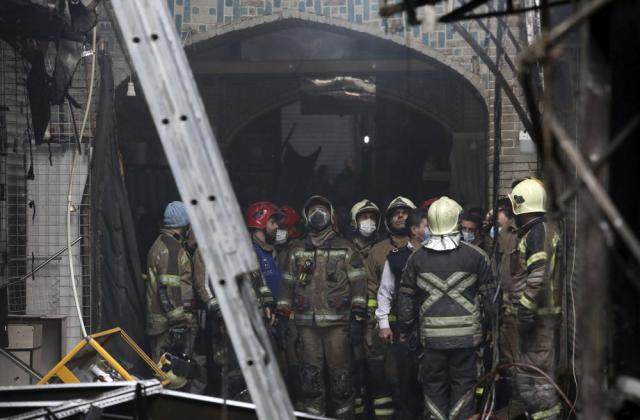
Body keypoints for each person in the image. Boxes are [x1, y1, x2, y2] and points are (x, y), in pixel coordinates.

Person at [397, 197, 497, 420]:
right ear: (457, 221)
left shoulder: (416, 258)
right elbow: (491, 300)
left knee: (433, 390)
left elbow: (405, 300)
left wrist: (405, 330)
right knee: (464, 389)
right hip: (467, 341)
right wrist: (491, 328)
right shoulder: (477, 256)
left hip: (431, 342)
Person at [278, 195, 367, 418]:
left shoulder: (345, 248)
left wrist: (357, 319)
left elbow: (359, 285)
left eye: (323, 210)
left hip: (338, 326)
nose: (318, 214)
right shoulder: (297, 250)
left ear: (331, 216)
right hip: (306, 326)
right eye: (313, 211)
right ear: (306, 217)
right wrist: (283, 319)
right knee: (310, 381)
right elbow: (287, 286)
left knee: (341, 380)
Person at [508, 179, 563, 420]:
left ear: (520, 205)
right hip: (536, 324)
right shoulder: (537, 232)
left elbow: (538, 277)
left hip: (539, 324)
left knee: (539, 384)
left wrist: (524, 312)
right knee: (527, 380)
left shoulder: (538, 234)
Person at [145, 201, 205, 392]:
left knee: (170, 378)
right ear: (185, 225)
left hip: (164, 327)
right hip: (169, 329)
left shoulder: (162, 244)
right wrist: (178, 325)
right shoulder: (171, 249)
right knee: (172, 379)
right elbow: (168, 289)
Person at [365, 196, 416, 419]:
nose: (401, 215)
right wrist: (373, 325)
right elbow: (371, 289)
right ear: (387, 220)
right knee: (384, 376)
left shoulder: (422, 247)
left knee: (412, 377)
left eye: (405, 212)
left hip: (413, 328)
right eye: (396, 212)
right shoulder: (378, 251)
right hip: (385, 329)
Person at [376, 208, 429, 419]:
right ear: (414, 230)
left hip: (432, 327)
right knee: (406, 379)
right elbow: (385, 292)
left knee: (431, 379)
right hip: (406, 329)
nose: (431, 230)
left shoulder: (436, 254)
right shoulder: (396, 258)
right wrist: (383, 324)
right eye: (427, 226)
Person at [349, 199, 382, 417]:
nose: (368, 221)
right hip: (349, 321)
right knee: (354, 371)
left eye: (372, 218)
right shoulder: (345, 248)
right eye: (363, 217)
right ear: (354, 221)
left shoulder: (382, 249)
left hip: (376, 321)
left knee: (378, 374)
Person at [245, 201, 284, 300]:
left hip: (278, 306)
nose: (277, 226)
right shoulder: (249, 251)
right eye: (273, 222)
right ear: (260, 221)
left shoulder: (272, 250)